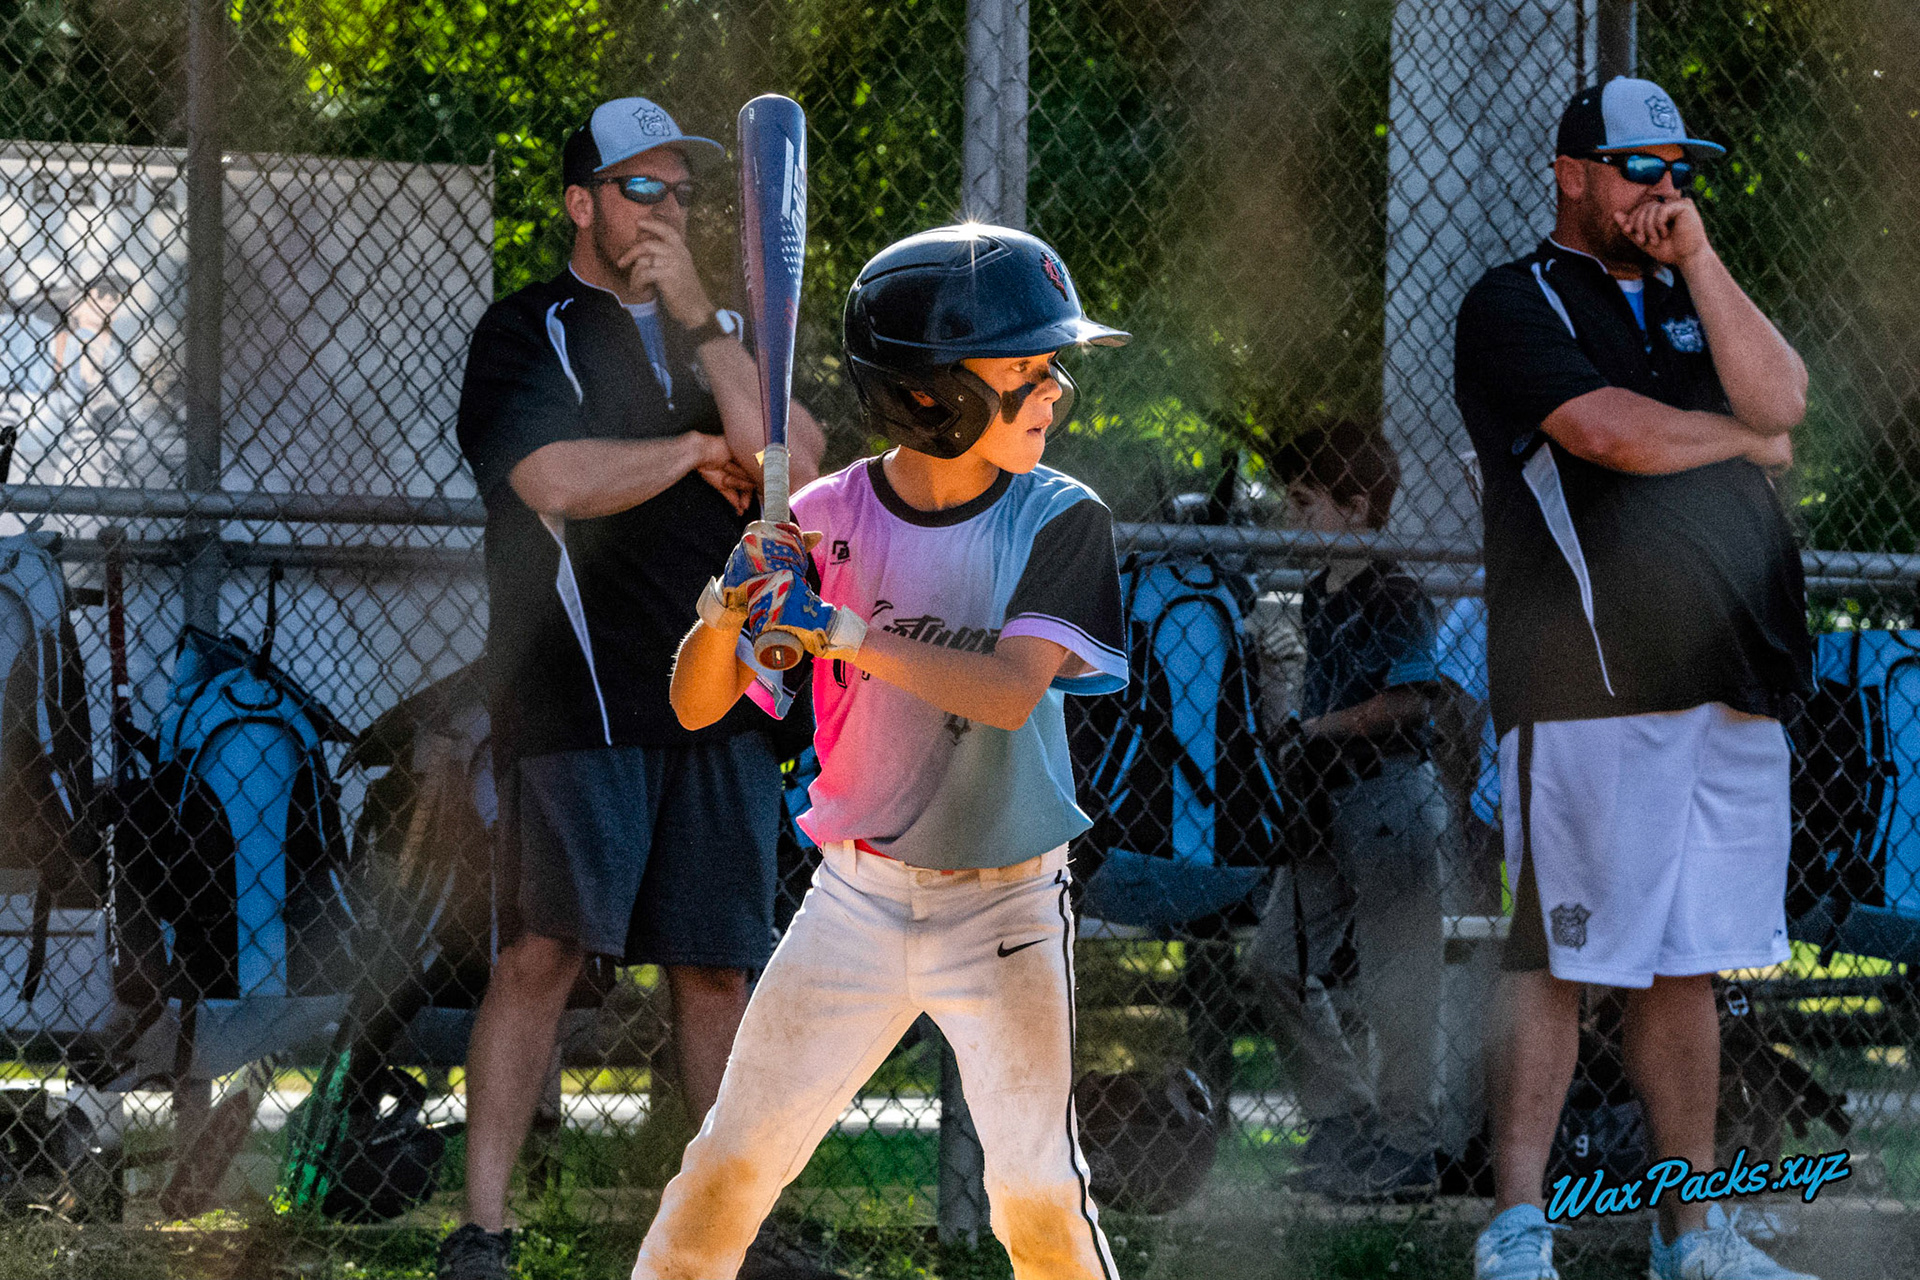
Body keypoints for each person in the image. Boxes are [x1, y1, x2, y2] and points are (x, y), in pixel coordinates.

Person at [631, 223, 1131, 1279]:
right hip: (853, 903)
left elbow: (1003, 691)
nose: (1054, 394)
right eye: (1026, 372)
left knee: (1038, 1196)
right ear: (928, 394)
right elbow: (693, 701)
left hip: (1005, 907)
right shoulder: (822, 517)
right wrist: (734, 603)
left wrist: (841, 628)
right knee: (724, 1172)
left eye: (1054, 371)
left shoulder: (1061, 519)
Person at [441, 96, 826, 1280]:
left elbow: (791, 469)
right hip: (579, 693)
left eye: (683, 192)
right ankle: (485, 1230)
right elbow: (548, 473)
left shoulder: (720, 334)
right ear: (580, 202)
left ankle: (727, 1231)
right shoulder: (528, 328)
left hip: (721, 697)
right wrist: (689, 454)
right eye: (640, 190)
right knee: (544, 951)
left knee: (716, 965)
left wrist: (705, 316)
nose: (666, 210)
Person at [1454, 77, 1812, 1280]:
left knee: (1685, 956)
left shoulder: (1692, 296)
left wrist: (1700, 260)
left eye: (1679, 170)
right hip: (1588, 681)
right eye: (1639, 168)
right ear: (1572, 175)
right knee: (1558, 953)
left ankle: (1692, 1236)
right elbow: (1612, 434)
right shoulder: (1512, 303)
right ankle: (1515, 1226)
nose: (1664, 189)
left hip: (1731, 677)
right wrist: (1744, 447)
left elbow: (1785, 397)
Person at [1242, 419, 1447, 1202]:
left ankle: (1406, 1149)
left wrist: (1315, 729)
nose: (1295, 518)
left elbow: (1410, 699)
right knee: (1273, 963)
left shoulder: (1393, 588)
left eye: (1307, 501)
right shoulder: (1317, 593)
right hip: (1327, 803)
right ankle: (1345, 1122)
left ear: (1356, 506)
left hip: (1389, 797)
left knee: (1401, 982)